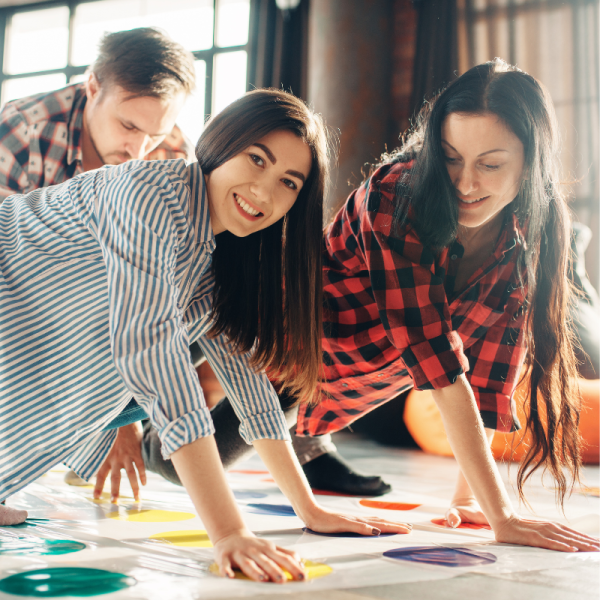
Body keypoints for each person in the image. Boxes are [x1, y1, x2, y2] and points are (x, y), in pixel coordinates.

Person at [143, 60, 598, 553]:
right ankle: (117, 420)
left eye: (490, 164)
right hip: (283, 326)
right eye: (448, 158)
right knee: (168, 429)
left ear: (531, 162)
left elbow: (490, 373)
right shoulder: (396, 195)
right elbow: (436, 359)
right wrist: (502, 515)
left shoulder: (536, 231)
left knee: (184, 455)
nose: (464, 184)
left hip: (332, 380)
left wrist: (471, 500)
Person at [0, 88, 410, 582]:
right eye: (256, 159)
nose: (263, 191)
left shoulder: (226, 255)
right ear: (222, 142)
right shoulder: (150, 196)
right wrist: (228, 533)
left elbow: (251, 388)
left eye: (288, 182)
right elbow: (152, 353)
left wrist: (309, 510)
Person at [0, 26, 195, 205]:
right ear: (93, 88)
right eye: (129, 126)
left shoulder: (176, 157)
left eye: (155, 136)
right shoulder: (23, 131)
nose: (138, 153)